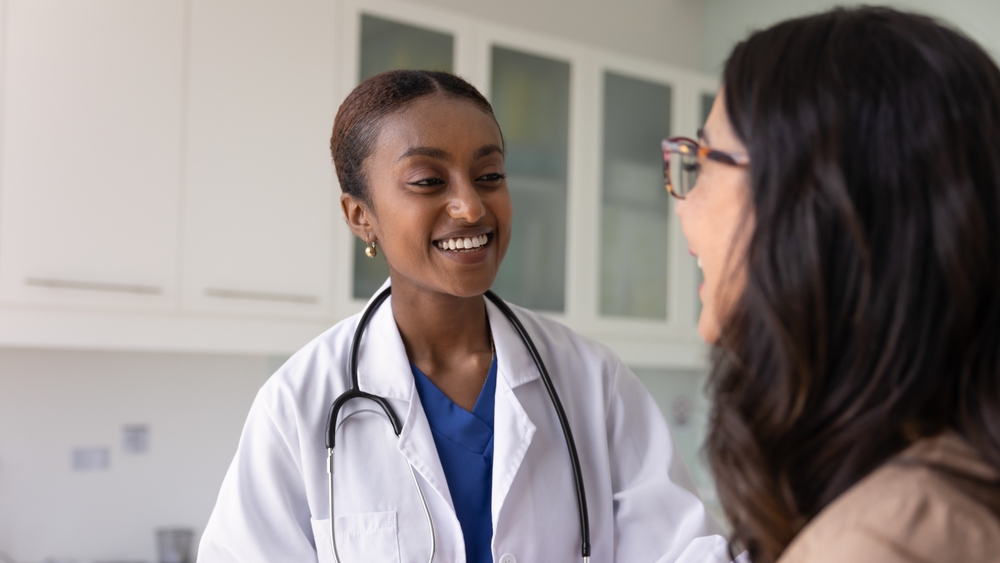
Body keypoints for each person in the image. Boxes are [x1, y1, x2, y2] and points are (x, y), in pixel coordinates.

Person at [198, 70, 726, 563]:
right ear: (361, 216)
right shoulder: (298, 403)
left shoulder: (591, 380)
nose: (471, 206)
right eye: (428, 181)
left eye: (489, 174)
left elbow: (682, 550)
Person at [665, 6, 1000, 563]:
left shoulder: (878, 542)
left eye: (702, 161)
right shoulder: (944, 486)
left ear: (817, 205)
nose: (683, 206)